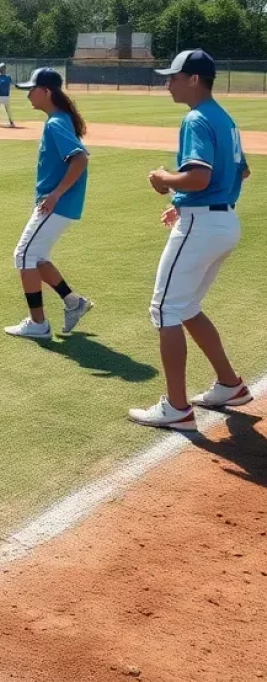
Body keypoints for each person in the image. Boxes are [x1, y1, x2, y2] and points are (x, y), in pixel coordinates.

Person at [129, 50, 253, 432]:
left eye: (173, 77)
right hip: (222, 221)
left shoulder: (197, 118)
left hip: (202, 226)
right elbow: (242, 171)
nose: (168, 83)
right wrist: (183, 204)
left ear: (194, 79)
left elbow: (198, 177)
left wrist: (165, 179)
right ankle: (229, 385)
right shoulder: (224, 118)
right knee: (186, 307)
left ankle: (177, 408)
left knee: (164, 309)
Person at [3, 68, 93, 340]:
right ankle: (73, 302)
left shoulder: (56, 123)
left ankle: (38, 324)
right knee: (37, 257)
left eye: (32, 89)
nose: (28, 94)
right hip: (59, 204)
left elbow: (80, 159)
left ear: (47, 92)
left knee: (23, 255)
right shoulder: (59, 119)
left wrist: (55, 194)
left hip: (58, 204)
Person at [0, 63, 15, 127]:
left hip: (4, 96)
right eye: (1, 68)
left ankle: (11, 121)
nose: (1, 69)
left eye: (2, 68)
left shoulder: (5, 77)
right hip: (0, 96)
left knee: (3, 108)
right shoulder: (4, 77)